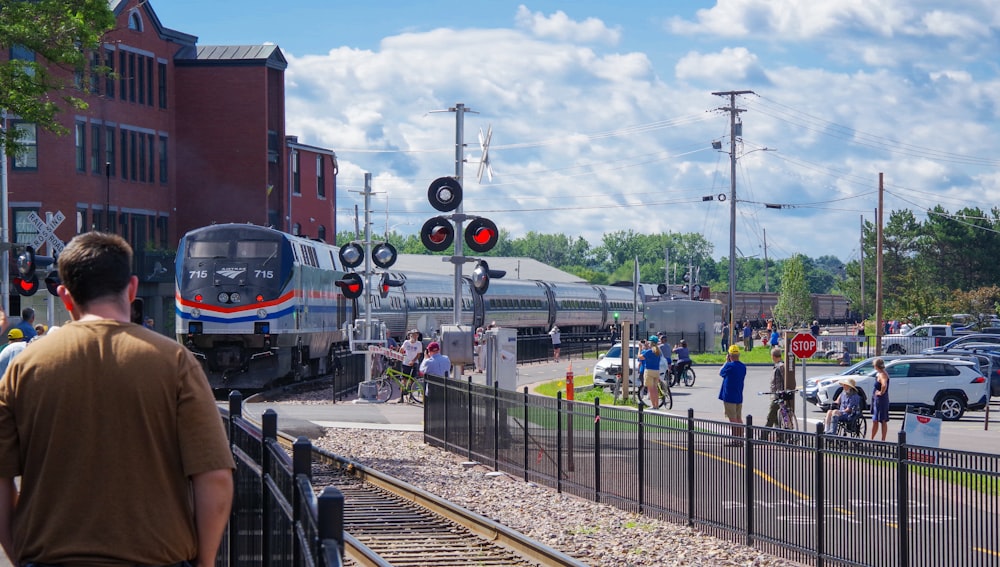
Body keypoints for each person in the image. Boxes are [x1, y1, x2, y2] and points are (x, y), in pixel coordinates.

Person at [0, 232, 234, 567]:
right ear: (133, 288)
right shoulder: (176, 363)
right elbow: (215, 478)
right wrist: (206, 561)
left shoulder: (24, 366)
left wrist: (20, 555)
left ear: (65, 297)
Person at [719, 344, 747, 446]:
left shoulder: (729, 366)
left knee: (733, 419)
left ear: (730, 355)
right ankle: (740, 439)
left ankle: (735, 439)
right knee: (739, 418)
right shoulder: (743, 367)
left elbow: (721, 372)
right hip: (738, 395)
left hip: (729, 395)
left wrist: (726, 361)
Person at [637, 336, 662, 408]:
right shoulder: (658, 351)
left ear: (651, 343)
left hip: (649, 371)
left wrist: (640, 348)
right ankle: (656, 405)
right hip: (656, 371)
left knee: (650, 389)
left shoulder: (649, 351)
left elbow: (640, 357)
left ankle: (653, 405)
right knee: (655, 389)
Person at [764, 347, 786, 431]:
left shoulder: (779, 367)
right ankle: (779, 435)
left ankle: (764, 435)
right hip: (780, 394)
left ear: (773, 356)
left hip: (777, 395)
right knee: (776, 418)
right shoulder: (782, 365)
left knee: (771, 416)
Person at [870, 357, 891, 441]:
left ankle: (882, 439)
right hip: (877, 399)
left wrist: (881, 392)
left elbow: (884, 385)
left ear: (876, 366)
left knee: (882, 420)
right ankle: (872, 438)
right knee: (875, 419)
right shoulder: (879, 373)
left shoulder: (882, 374)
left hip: (881, 400)